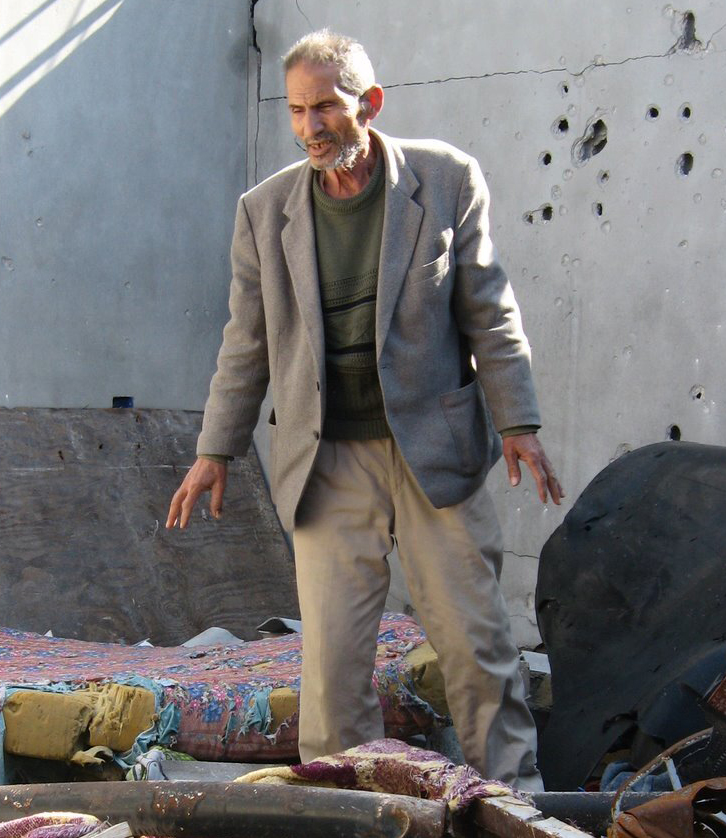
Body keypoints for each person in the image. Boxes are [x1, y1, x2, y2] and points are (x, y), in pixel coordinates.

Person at [166, 29, 563, 790]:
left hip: (433, 454)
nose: (311, 127)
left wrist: (518, 424)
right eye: (296, 111)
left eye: (326, 108)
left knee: (477, 644)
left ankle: (515, 803)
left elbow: (488, 308)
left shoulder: (445, 180)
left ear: (369, 105)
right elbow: (245, 342)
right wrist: (214, 451)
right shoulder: (264, 210)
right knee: (334, 665)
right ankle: (351, 823)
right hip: (326, 460)